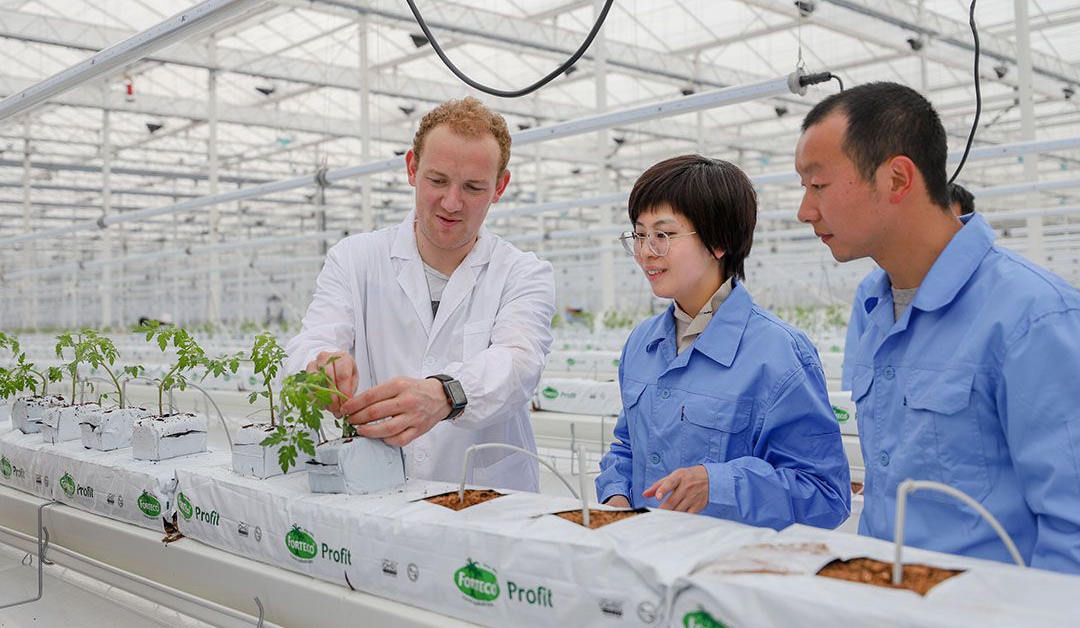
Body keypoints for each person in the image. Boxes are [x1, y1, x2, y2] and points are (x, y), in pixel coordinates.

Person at [795, 81, 1080, 574]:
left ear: (898, 179)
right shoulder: (870, 306)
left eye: (817, 185)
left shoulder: (1032, 317)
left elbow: (1071, 529)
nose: (805, 210)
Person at [285, 97, 556, 491]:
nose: (451, 203)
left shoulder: (522, 273)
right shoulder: (355, 259)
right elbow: (312, 340)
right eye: (438, 180)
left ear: (500, 187)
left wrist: (446, 394)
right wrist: (319, 366)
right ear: (412, 168)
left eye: (474, 187)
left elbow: (519, 363)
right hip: (377, 486)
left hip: (487, 498)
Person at [595, 155, 850, 530]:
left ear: (719, 242)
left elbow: (825, 495)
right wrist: (615, 494)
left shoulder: (778, 354)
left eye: (663, 235)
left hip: (729, 575)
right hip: (644, 561)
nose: (645, 251)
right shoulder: (641, 344)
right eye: (639, 233)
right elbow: (627, 447)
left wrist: (719, 486)